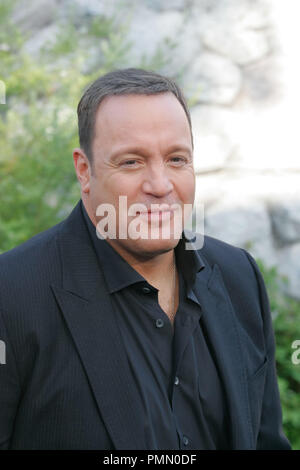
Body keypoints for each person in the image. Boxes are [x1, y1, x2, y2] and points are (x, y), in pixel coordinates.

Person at [0, 68, 292, 450]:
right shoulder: (12, 295)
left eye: (176, 159)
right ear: (84, 170)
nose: (160, 186)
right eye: (131, 162)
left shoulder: (239, 277)